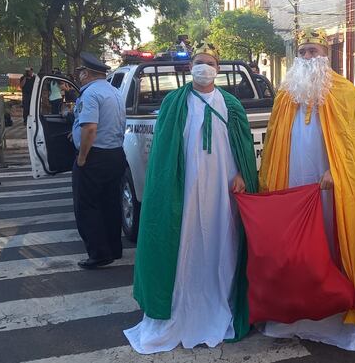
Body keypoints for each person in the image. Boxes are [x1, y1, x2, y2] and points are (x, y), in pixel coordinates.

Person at [126, 42, 258, 353]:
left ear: (218, 68)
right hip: (185, 188)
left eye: (210, 63)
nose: (204, 67)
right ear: (190, 67)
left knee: (224, 241)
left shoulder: (231, 105)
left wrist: (242, 174)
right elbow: (164, 152)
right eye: (199, 62)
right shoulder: (174, 102)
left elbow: (243, 146)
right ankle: (182, 307)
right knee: (186, 241)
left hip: (224, 189)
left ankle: (222, 300)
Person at [257, 28, 355, 351]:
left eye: (314, 51)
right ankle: (298, 305)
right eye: (303, 52)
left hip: (330, 185)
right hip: (294, 179)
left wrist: (337, 170)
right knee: (297, 242)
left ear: (326, 55)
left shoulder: (345, 91)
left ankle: (333, 306)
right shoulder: (286, 94)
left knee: (331, 236)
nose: (308, 57)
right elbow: (273, 141)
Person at [71, 52, 126, 269]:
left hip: (95, 157)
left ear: (86, 73)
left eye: (80, 72)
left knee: (87, 206)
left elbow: (90, 128)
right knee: (110, 204)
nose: (79, 76)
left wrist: (82, 157)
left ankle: (99, 254)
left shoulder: (90, 94)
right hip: (115, 154)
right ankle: (113, 248)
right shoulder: (114, 91)